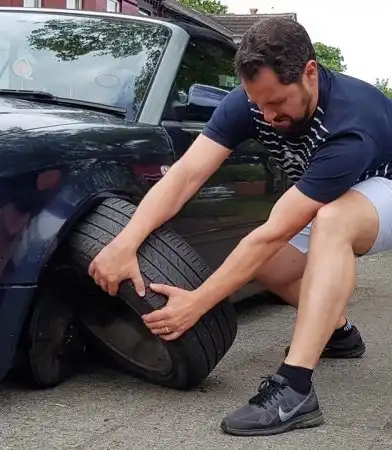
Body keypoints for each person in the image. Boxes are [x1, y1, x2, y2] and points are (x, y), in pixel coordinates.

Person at [88, 17, 392, 437]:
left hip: (381, 186)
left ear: (309, 71)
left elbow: (274, 231)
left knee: (332, 222)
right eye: (258, 103)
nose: (267, 116)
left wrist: (198, 302)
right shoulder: (250, 102)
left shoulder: (350, 122)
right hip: (333, 192)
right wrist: (126, 241)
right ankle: (337, 332)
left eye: (277, 102)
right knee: (265, 264)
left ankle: (295, 389)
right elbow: (185, 176)